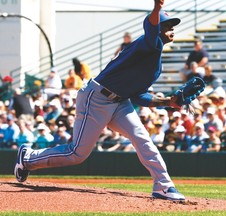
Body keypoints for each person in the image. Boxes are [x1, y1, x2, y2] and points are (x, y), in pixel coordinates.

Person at [14, 0, 185, 201]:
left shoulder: (155, 64)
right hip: (96, 97)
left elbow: (140, 96)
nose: (171, 28)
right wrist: (157, 8)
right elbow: (150, 26)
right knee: (77, 154)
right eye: (166, 25)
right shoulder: (149, 43)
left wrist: (169, 102)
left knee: (143, 139)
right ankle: (27, 158)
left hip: (120, 102)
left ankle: (163, 186)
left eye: (172, 26)